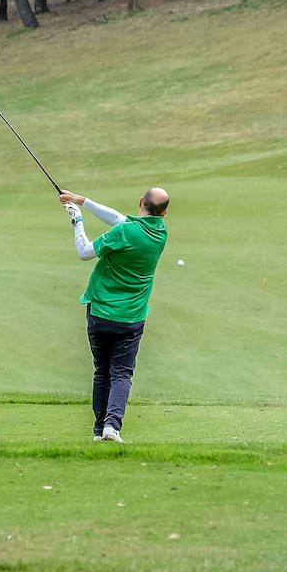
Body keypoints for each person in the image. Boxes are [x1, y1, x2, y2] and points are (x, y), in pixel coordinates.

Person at [58, 187, 170, 443]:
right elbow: (119, 219)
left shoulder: (123, 232)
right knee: (121, 373)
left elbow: (85, 252)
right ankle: (111, 427)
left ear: (141, 202)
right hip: (132, 317)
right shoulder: (161, 232)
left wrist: (77, 219)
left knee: (102, 372)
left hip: (100, 312)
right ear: (163, 213)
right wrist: (81, 201)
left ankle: (99, 431)